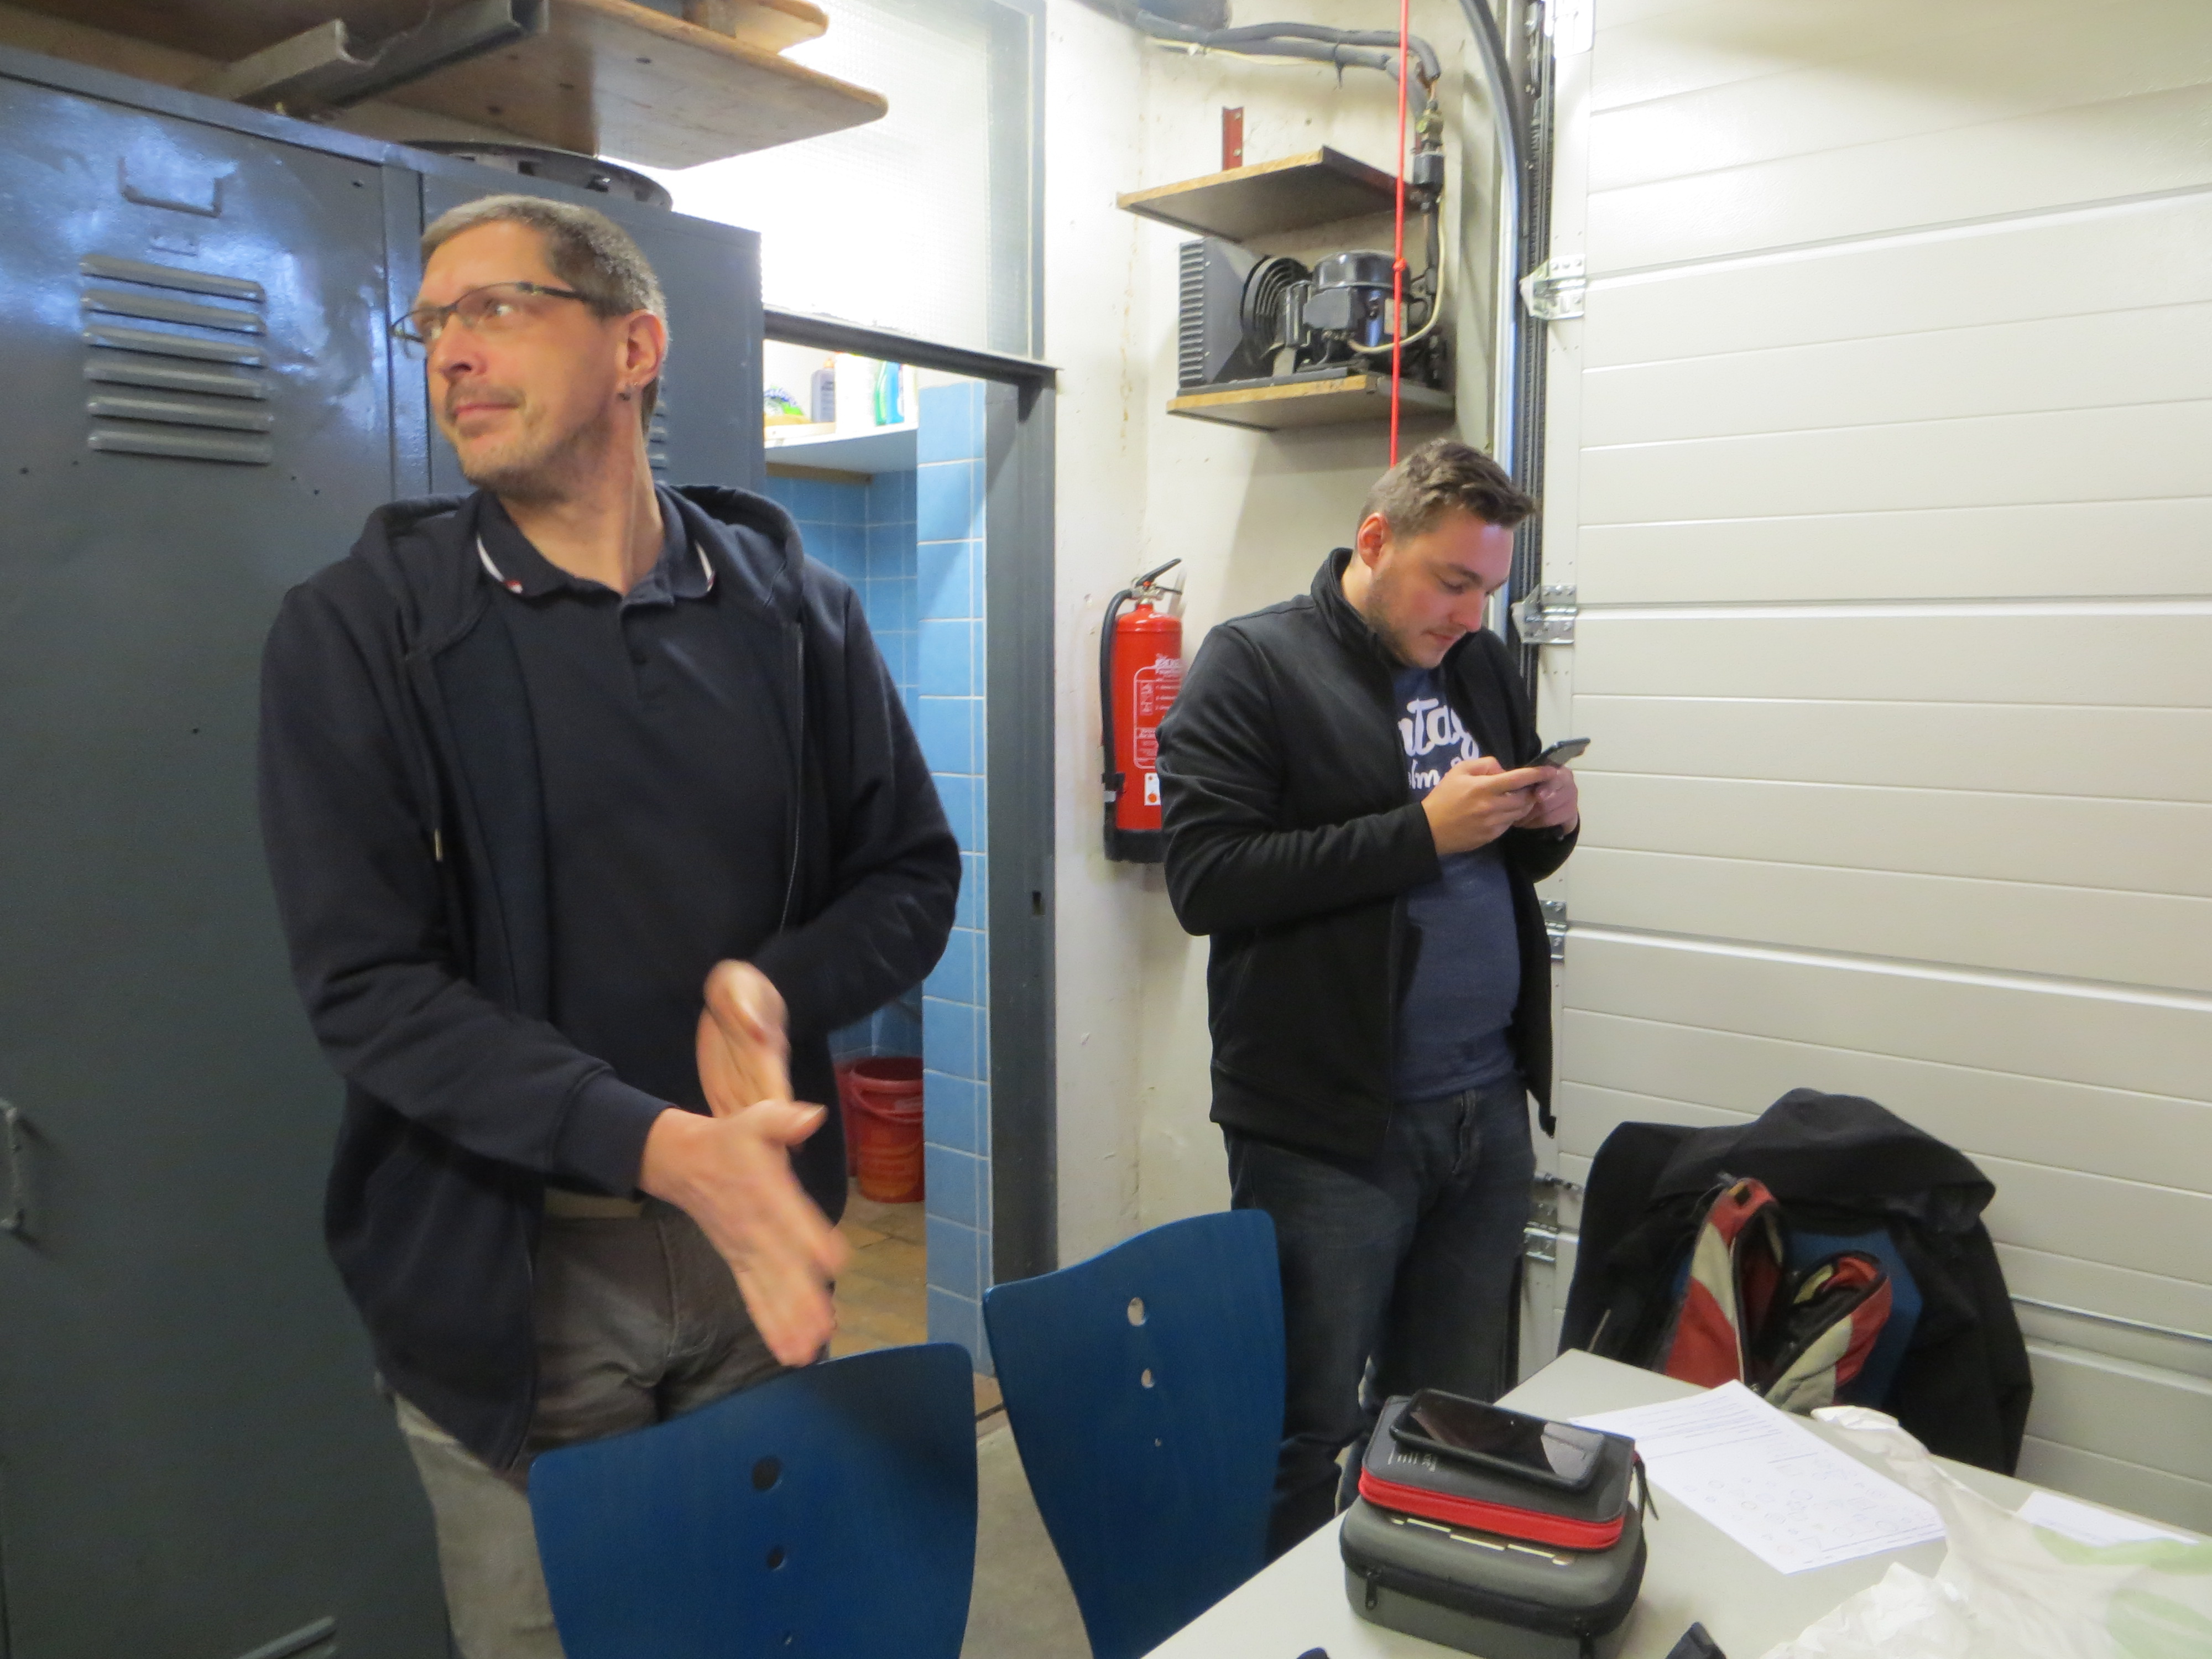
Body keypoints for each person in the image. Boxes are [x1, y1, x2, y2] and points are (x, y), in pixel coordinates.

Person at [257, 195, 959, 1656]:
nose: (451, 353)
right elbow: (371, 987)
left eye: (495, 308)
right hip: (518, 1285)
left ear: (634, 347)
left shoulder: (797, 613)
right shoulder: (367, 631)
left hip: (750, 1258)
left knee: (752, 1626)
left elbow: (909, 872)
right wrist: (658, 1146)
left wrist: (772, 988)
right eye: (432, 323)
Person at [1156, 438, 1579, 1556]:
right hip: (1329, 1126)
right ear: (1376, 539)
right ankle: (1274, 1626)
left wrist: (1549, 818)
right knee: (1303, 1423)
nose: (1471, 616)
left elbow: (1498, 858)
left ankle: (1405, 1603)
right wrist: (1419, 833)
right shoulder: (1253, 664)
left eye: (1487, 590)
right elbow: (1206, 881)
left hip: (1483, 1103)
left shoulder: (1477, 667)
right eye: (1451, 583)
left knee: (1448, 1414)